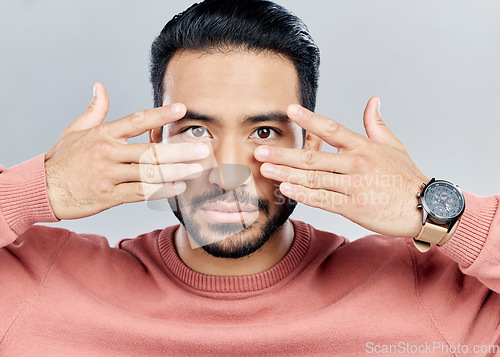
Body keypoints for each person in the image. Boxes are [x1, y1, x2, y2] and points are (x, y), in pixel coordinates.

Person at [0, 0, 498, 355]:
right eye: (195, 129)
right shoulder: (41, 283)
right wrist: (34, 192)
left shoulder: (424, 293)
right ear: (156, 144)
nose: (227, 170)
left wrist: (434, 209)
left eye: (264, 130)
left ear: (310, 145)